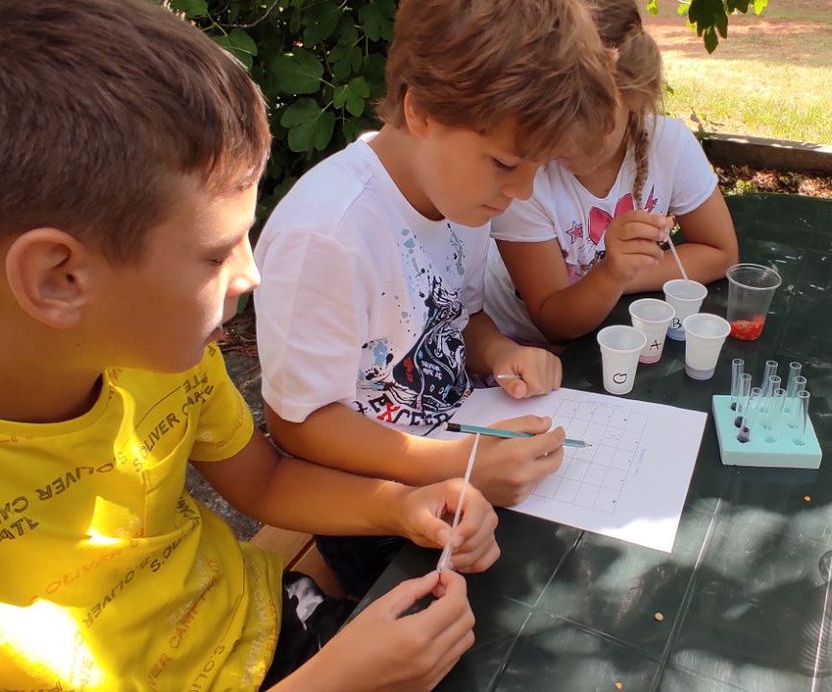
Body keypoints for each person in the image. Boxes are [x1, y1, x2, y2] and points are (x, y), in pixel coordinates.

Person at [0, 1, 497, 689]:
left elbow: (265, 483)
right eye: (215, 254)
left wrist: (401, 507)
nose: (251, 274)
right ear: (58, 278)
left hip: (276, 629)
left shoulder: (148, 350)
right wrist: (337, 682)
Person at [252, 0, 618, 597]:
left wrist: (500, 352)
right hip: (373, 510)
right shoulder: (327, 237)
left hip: (464, 443)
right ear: (419, 109)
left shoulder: (458, 196)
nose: (523, 191)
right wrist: (455, 464)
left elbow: (458, 317)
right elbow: (298, 423)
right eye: (505, 163)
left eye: (539, 167)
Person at [482, 0, 740, 344]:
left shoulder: (668, 144)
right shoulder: (524, 176)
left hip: (613, 339)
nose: (568, 143)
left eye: (591, 120)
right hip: (518, 345)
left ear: (633, 94)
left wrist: (622, 274)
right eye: (555, 118)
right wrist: (611, 273)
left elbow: (721, 253)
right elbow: (553, 322)